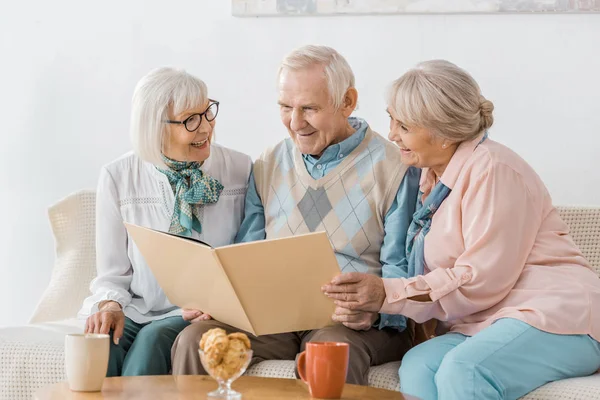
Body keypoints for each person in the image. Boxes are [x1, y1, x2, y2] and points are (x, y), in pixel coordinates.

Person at [322, 59, 600, 399]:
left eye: (404, 125)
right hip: (485, 322)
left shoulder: (493, 170)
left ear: (445, 133)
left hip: (555, 318)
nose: (392, 134)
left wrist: (388, 293)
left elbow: (481, 279)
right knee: (418, 365)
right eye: (392, 118)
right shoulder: (428, 178)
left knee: (464, 369)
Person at [171, 45, 421, 385]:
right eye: (285, 107)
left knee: (328, 351)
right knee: (195, 340)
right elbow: (245, 255)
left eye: (309, 109)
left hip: (354, 323)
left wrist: (377, 309)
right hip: (278, 319)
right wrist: (219, 300)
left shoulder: (395, 167)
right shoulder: (268, 163)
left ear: (347, 102)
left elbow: (401, 269)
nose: (295, 122)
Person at [78, 67, 252, 376]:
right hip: (139, 308)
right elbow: (112, 272)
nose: (206, 128)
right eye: (190, 120)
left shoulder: (239, 168)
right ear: (154, 128)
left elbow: (247, 255)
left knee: (153, 339)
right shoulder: (118, 176)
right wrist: (110, 305)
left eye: (207, 112)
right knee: (102, 344)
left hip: (203, 312)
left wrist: (218, 300)